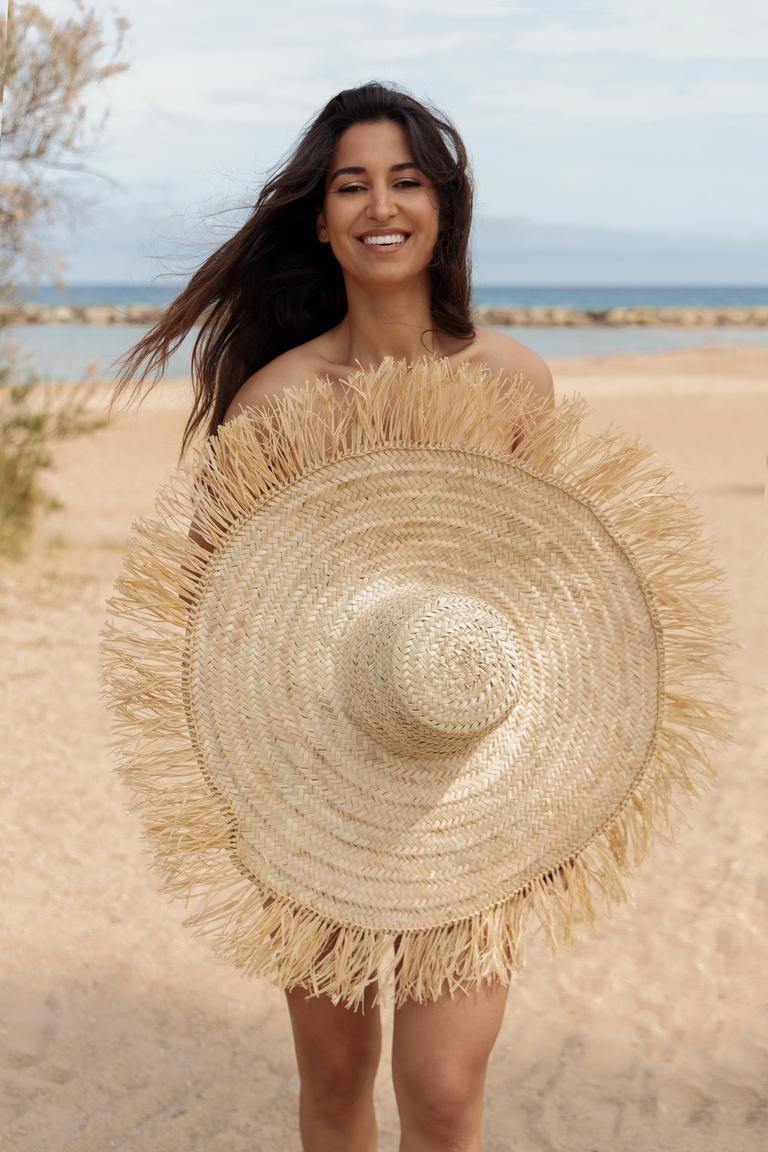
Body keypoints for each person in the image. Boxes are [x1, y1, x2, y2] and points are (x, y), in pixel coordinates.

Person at [112, 80, 554, 1152]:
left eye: (406, 181)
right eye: (351, 185)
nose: (379, 205)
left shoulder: (513, 380)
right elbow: (215, 607)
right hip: (313, 780)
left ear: (444, 207)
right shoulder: (275, 398)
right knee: (337, 1082)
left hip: (470, 775)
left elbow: (550, 591)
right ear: (320, 218)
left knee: (444, 1093)